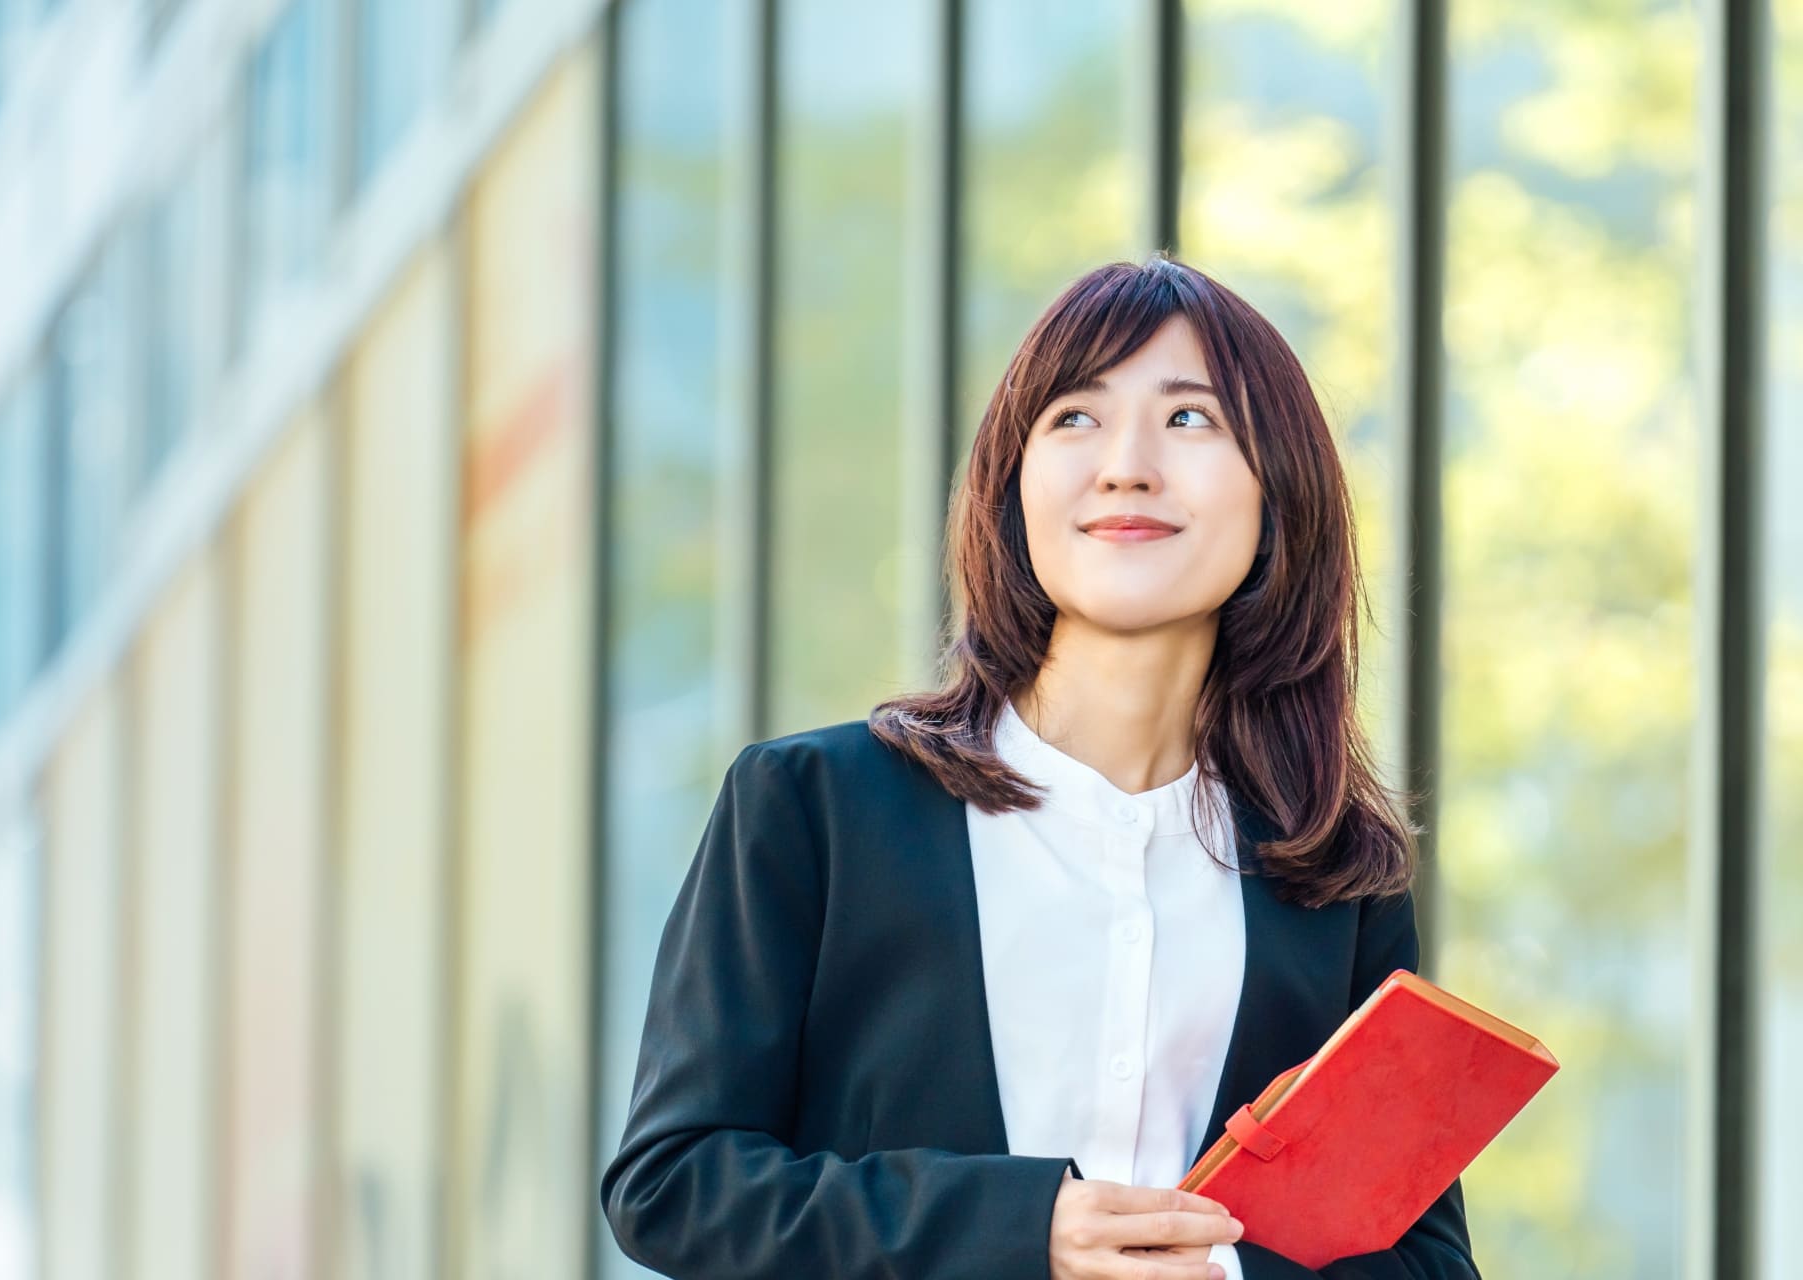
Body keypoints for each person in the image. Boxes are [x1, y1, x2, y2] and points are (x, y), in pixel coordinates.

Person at [599, 254, 1480, 1280]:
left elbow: (1424, 1259)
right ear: (1013, 486)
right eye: (1074, 417)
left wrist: (1224, 1269)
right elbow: (675, 1180)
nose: (1126, 465)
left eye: (1189, 419)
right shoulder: (816, 808)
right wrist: (1025, 1229)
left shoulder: (1328, 871)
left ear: (1277, 494)